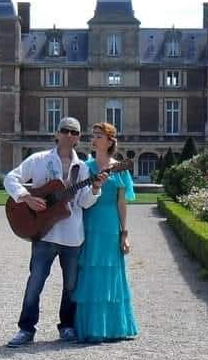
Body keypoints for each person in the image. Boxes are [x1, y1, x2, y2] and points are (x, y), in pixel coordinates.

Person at [3, 117, 108, 347]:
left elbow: (84, 203)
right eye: (65, 130)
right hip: (45, 233)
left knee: (71, 285)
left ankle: (66, 326)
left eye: (74, 132)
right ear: (57, 134)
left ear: (79, 138)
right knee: (35, 283)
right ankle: (26, 329)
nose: (69, 135)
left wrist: (96, 189)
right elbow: (11, 177)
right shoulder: (39, 160)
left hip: (72, 236)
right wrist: (26, 198)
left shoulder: (82, 168)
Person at [73, 122, 138, 343]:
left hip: (110, 225)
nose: (94, 139)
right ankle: (92, 328)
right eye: (94, 135)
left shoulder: (119, 168)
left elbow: (122, 203)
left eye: (99, 136)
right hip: (89, 222)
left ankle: (114, 327)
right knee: (89, 272)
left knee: (112, 273)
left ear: (110, 141)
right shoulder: (85, 167)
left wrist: (124, 233)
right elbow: (78, 199)